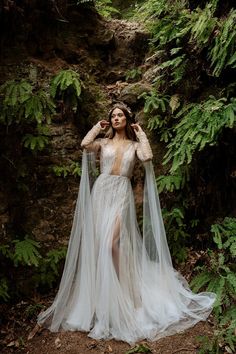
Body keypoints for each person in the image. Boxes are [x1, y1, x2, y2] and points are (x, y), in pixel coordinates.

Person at [37, 103, 215, 344]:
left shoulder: (133, 146)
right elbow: (84, 145)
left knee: (113, 244)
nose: (116, 118)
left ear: (127, 119)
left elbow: (148, 156)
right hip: (101, 191)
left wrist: (141, 134)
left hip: (121, 192)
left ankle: (126, 293)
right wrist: (95, 128)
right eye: (113, 116)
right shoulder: (103, 143)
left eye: (120, 115)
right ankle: (104, 298)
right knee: (101, 245)